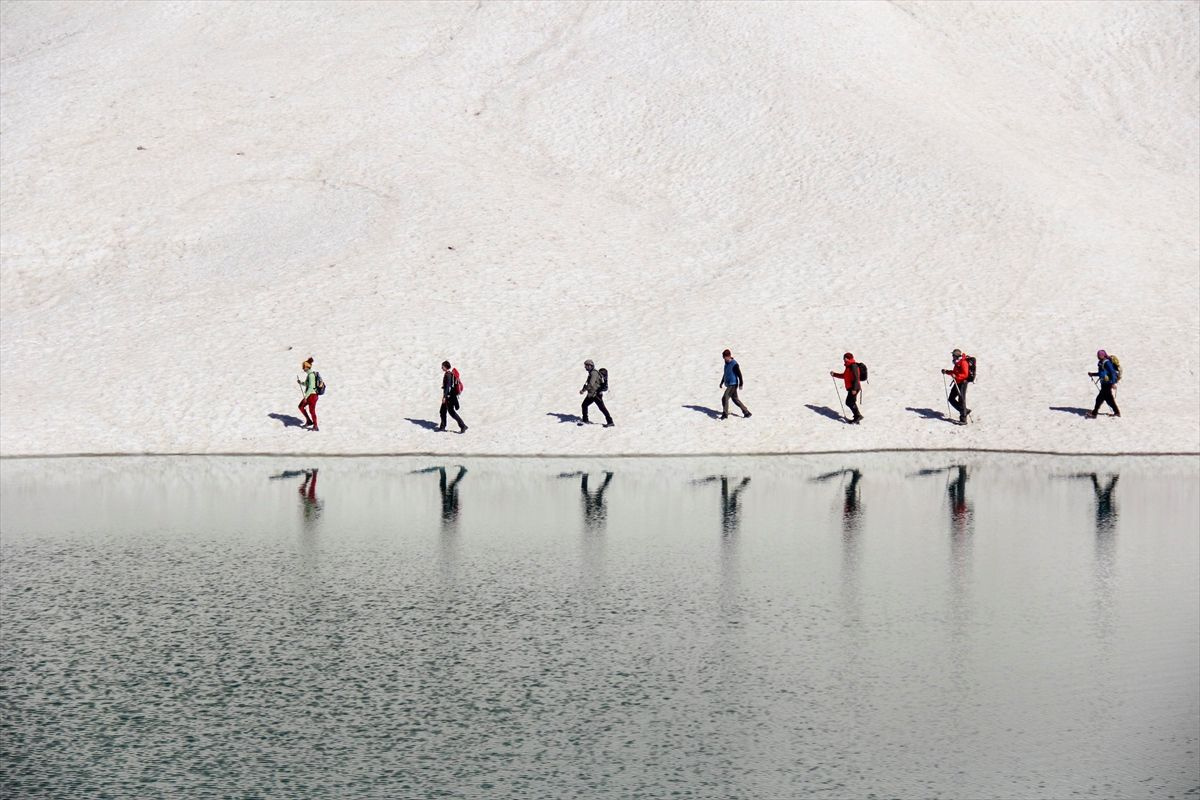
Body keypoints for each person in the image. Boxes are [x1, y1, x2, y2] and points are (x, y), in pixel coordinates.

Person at [829, 352, 863, 424]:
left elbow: (856, 378)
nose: (844, 360)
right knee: (850, 402)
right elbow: (844, 376)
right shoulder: (849, 367)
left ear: (847, 359)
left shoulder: (853, 366)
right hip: (852, 388)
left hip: (854, 388)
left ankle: (858, 416)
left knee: (849, 402)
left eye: (845, 358)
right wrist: (834, 374)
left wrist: (854, 389)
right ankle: (857, 417)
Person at [1086, 349, 1121, 418]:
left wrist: (1113, 383)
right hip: (1105, 383)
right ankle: (1117, 412)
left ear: (1103, 355)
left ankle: (1094, 413)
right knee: (1109, 399)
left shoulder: (1107, 363)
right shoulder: (1102, 362)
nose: (1098, 356)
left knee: (1099, 398)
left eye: (1100, 355)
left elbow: (1112, 372)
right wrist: (1093, 374)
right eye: (1098, 355)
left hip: (1107, 384)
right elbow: (1101, 373)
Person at [719, 349, 751, 420]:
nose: (724, 359)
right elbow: (725, 373)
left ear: (729, 356)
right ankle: (746, 412)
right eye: (723, 357)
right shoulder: (726, 364)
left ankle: (725, 414)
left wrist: (741, 383)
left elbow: (739, 374)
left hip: (733, 384)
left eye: (725, 357)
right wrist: (722, 382)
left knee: (725, 398)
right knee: (735, 399)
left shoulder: (734, 364)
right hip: (729, 384)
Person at [579, 359, 613, 427]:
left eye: (586, 366)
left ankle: (610, 422)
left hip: (596, 394)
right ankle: (585, 420)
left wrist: (583, 390)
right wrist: (584, 389)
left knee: (602, 408)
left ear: (590, 366)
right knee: (584, 405)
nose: (585, 367)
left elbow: (591, 384)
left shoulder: (593, 373)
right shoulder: (592, 373)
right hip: (592, 394)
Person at [941, 349, 971, 425]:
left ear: (957, 355)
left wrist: (956, 376)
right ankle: (965, 410)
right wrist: (947, 371)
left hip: (963, 383)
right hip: (957, 382)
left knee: (961, 400)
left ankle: (963, 419)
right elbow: (955, 372)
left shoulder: (963, 362)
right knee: (951, 398)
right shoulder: (957, 362)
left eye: (953, 355)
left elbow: (965, 374)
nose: (952, 356)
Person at [438, 361, 467, 433]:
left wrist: (444, 397)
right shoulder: (450, 374)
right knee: (442, 411)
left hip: (448, 396)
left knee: (451, 412)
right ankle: (442, 426)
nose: (442, 368)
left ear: (446, 367)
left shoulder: (448, 375)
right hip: (449, 395)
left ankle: (463, 426)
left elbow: (447, 387)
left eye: (443, 366)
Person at [296, 358, 319, 431]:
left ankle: (315, 426)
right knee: (301, 406)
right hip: (310, 395)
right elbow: (307, 384)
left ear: (307, 367)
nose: (303, 369)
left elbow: (311, 387)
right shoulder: (309, 375)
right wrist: (301, 383)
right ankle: (309, 421)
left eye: (304, 367)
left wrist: (306, 396)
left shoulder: (311, 375)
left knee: (312, 411)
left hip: (312, 395)